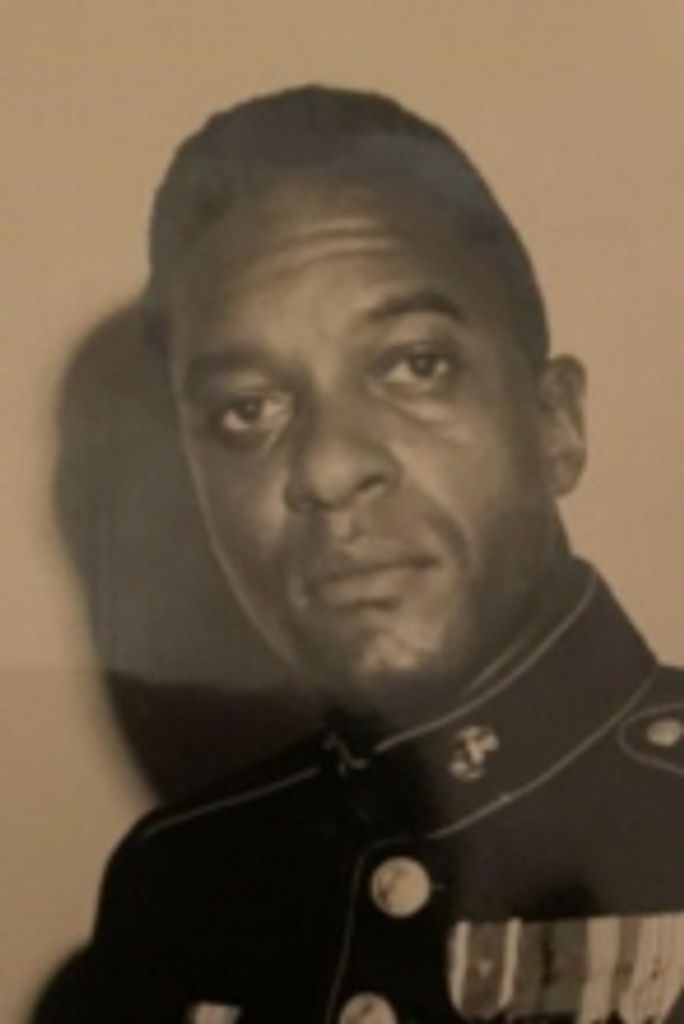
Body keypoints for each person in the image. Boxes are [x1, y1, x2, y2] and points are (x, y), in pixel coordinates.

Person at [80, 86, 684, 1023]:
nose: (326, 467)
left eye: (414, 365)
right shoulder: (180, 888)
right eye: (247, 410)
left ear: (555, 424)